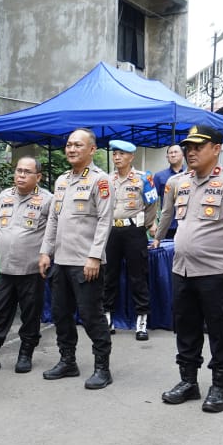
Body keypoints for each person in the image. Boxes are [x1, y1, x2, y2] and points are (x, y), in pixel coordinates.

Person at [152, 125, 223, 413]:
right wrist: (158, 237)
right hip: (183, 270)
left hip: (218, 273)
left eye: (198, 146)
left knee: (220, 329)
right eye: (188, 147)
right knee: (186, 329)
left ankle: (219, 386)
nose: (191, 151)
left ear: (216, 149)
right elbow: (167, 214)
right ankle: (188, 382)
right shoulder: (179, 182)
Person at [37, 128, 115, 390]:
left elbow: (105, 221)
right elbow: (53, 219)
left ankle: (102, 367)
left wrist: (94, 257)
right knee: (61, 314)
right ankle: (67, 360)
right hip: (61, 262)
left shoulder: (100, 181)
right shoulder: (61, 181)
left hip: (86, 263)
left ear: (92, 150)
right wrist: (45, 252)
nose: (71, 149)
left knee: (91, 315)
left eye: (77, 145)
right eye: (68, 144)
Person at [0, 156, 53, 374]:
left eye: (27, 172)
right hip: (6, 269)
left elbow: (52, 234)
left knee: (29, 315)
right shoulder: (5, 195)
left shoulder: (47, 200)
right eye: (18, 171)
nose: (21, 175)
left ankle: (25, 353)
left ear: (39, 177)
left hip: (32, 270)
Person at [102, 139, 158, 341]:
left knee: (138, 276)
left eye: (121, 154)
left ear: (131, 157)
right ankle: (107, 317)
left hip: (134, 231)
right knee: (109, 276)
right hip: (112, 232)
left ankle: (141, 321)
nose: (117, 157)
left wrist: (145, 224)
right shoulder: (107, 179)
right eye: (114, 153)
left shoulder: (144, 178)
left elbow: (152, 204)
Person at [152, 144, 185, 240]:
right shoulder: (159, 176)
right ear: (167, 157)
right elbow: (152, 201)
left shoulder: (190, 174)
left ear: (183, 155)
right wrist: (153, 223)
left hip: (186, 224)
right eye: (170, 153)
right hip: (167, 225)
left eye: (176, 152)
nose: (173, 155)